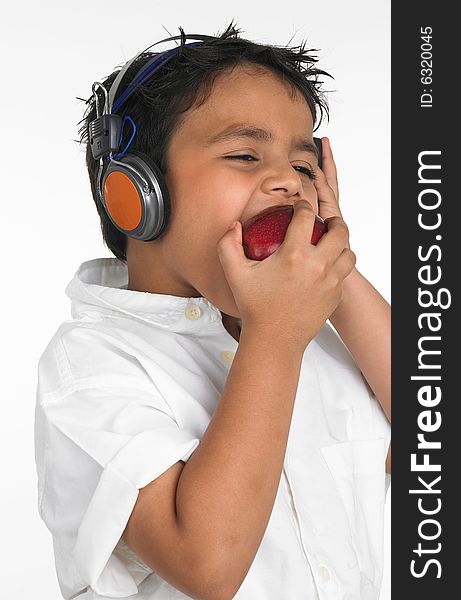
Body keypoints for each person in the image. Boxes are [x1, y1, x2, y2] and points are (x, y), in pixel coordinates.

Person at [34, 20, 391, 600]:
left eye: (304, 168)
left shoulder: (318, 342)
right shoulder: (91, 368)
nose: (288, 184)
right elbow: (207, 565)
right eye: (245, 154)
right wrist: (275, 336)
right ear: (138, 192)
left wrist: (330, 264)